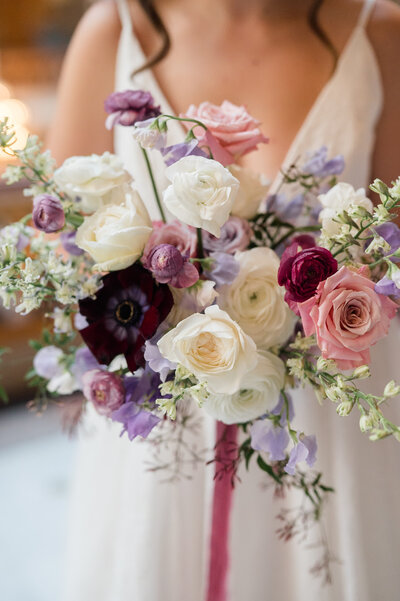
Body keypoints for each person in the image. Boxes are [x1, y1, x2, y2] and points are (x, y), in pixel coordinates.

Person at [48, 1, 400, 599]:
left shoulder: (383, 34)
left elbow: (392, 244)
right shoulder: (115, 31)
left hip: (330, 427)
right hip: (163, 426)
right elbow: (65, 253)